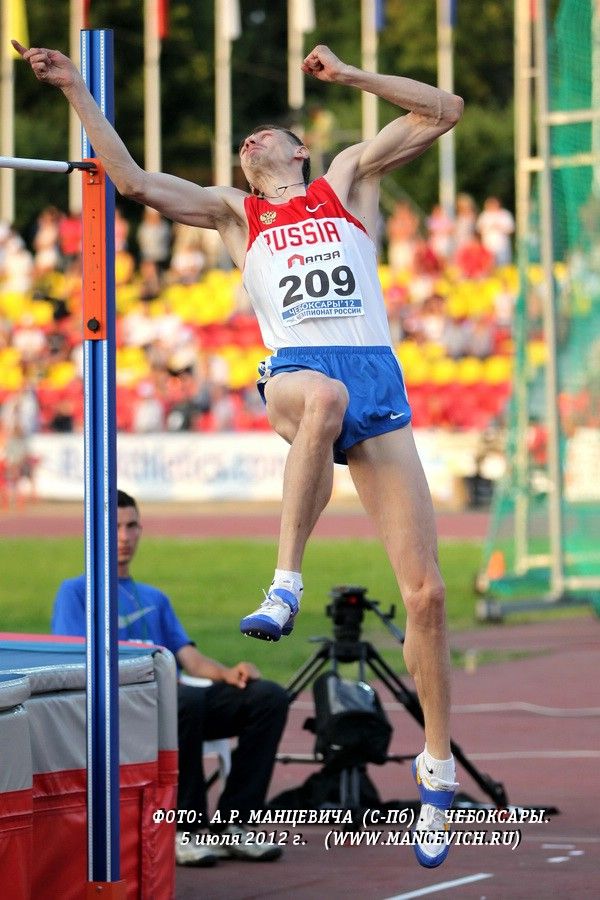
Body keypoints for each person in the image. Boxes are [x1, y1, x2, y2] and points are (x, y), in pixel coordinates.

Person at [17, 39, 463, 867]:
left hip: (376, 376)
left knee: (427, 594)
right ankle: (285, 582)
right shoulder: (235, 212)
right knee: (320, 400)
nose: (249, 142)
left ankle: (437, 766)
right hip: (298, 372)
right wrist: (76, 88)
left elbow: (445, 111)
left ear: (300, 151)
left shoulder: (346, 179)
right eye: (242, 143)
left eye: (264, 135)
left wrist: (352, 76)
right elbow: (134, 182)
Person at [51, 489, 289, 868]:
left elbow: (188, 657)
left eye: (132, 526)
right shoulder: (76, 592)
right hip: (122, 709)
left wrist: (227, 673)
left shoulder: (154, 598)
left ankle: (234, 823)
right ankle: (185, 830)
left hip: (176, 705)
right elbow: (77, 661)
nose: (125, 536)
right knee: (183, 700)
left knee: (268, 697)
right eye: (115, 527)